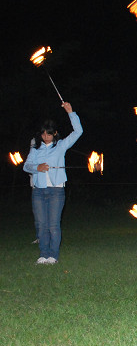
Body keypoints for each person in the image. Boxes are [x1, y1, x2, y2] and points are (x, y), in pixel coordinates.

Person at [23, 102, 83, 265]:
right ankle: (43, 255)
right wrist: (37, 168)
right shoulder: (35, 148)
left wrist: (71, 113)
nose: (45, 137)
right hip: (38, 191)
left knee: (53, 225)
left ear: (54, 133)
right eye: (43, 134)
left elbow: (78, 131)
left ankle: (53, 256)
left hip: (56, 191)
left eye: (49, 134)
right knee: (42, 225)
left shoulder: (61, 146)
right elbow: (26, 166)